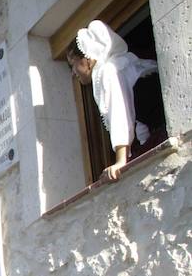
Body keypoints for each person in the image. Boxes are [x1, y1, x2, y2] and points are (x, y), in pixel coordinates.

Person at [67, 20, 163, 181]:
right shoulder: (123, 64)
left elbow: (120, 113)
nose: (73, 73)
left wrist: (121, 161)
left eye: (73, 64)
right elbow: (138, 119)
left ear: (88, 58)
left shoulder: (108, 71)